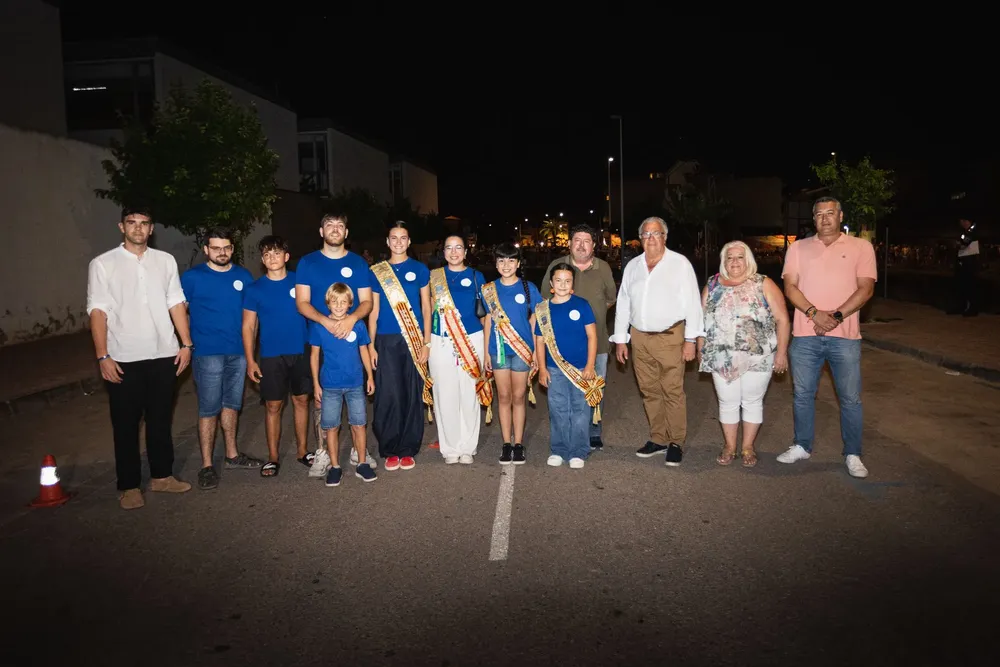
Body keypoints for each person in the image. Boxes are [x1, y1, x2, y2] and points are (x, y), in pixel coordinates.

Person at [86, 207, 194, 510]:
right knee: (125, 424)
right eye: (132, 223)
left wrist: (186, 343)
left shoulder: (165, 261)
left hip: (164, 354)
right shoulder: (103, 264)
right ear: (122, 227)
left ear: (151, 228)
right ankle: (129, 485)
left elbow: (176, 302)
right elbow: (98, 311)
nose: (138, 228)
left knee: (161, 420)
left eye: (144, 224)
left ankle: (162, 477)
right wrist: (102, 355)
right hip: (123, 357)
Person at [778, 196, 877, 478]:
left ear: (841, 215)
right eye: (819, 214)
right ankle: (802, 445)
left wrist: (834, 317)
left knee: (850, 398)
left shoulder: (861, 247)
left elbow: (866, 289)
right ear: (813, 219)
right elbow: (790, 288)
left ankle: (853, 453)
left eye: (830, 213)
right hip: (806, 335)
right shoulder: (798, 248)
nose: (825, 218)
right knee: (802, 395)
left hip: (845, 337)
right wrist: (814, 313)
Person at [611, 217, 703, 467]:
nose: (651, 239)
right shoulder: (633, 267)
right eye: (646, 235)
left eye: (656, 233)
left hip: (670, 337)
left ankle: (676, 442)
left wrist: (690, 340)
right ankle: (658, 438)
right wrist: (621, 339)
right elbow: (623, 304)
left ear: (665, 236)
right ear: (640, 239)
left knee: (672, 390)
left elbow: (693, 303)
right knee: (649, 390)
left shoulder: (679, 264)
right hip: (639, 338)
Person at [295, 212, 375, 477]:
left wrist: (351, 319)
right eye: (330, 225)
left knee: (355, 396)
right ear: (321, 232)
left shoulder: (358, 263)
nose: (335, 229)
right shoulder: (307, 262)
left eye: (340, 225)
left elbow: (366, 302)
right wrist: (325, 322)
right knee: (323, 400)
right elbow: (302, 302)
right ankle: (323, 454)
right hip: (321, 336)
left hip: (351, 339)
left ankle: (357, 451)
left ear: (346, 232)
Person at [181, 227, 262, 490]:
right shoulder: (192, 278)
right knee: (208, 408)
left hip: (237, 352)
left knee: (232, 404)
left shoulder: (243, 276)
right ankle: (206, 465)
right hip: (207, 353)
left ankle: (232, 455)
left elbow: (252, 317)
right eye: (216, 248)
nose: (222, 252)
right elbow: (179, 311)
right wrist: (186, 343)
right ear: (206, 250)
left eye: (226, 247)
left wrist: (251, 352)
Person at [697, 241, 790, 467]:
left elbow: (783, 319)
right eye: (730, 257)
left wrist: (782, 353)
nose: (735, 262)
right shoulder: (712, 284)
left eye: (740, 257)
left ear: (748, 259)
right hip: (721, 355)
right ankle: (729, 446)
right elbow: (701, 321)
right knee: (727, 402)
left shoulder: (763, 283)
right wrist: (701, 348)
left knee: (752, 401)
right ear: (724, 260)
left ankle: (748, 446)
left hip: (758, 355)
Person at [540, 224, 617, 451]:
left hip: (597, 343)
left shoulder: (603, 268)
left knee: (594, 389)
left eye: (586, 241)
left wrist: (594, 318)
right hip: (562, 347)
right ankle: (567, 435)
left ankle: (593, 431)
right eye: (577, 240)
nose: (581, 245)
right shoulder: (557, 266)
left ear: (593, 245)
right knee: (561, 394)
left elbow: (610, 299)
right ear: (570, 243)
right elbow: (545, 301)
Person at [242, 235, 311, 478]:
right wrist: (250, 360)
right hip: (271, 356)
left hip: (301, 351)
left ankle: (303, 451)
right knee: (273, 405)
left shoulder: (300, 282)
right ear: (262, 259)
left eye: (277, 253)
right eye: (267, 254)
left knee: (302, 401)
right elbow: (249, 326)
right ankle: (273, 457)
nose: (272, 258)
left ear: (286, 257)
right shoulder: (254, 289)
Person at [368, 221, 432, 471]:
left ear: (409, 241)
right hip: (386, 339)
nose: (398, 242)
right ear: (387, 242)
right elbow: (372, 312)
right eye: (393, 238)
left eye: (402, 238)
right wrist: (371, 346)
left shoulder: (420, 269)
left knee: (411, 393)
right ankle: (389, 446)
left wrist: (426, 342)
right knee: (389, 393)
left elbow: (427, 308)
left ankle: (408, 448)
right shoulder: (377, 272)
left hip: (414, 339)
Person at [428, 235, 490, 464]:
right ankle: (450, 448)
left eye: (458, 248)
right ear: (443, 251)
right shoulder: (434, 277)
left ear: (465, 251)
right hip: (441, 340)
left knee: (469, 393)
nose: (454, 252)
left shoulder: (476, 276)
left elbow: (486, 315)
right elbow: (428, 310)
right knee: (444, 394)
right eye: (449, 248)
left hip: (471, 340)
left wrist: (487, 347)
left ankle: (468, 446)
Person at [535, 263, 602, 469]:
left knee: (580, 411)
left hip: (581, 369)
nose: (563, 284)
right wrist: (542, 368)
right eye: (558, 280)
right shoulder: (543, 309)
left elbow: (592, 336)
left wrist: (590, 365)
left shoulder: (582, 305)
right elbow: (539, 341)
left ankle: (578, 451)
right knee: (558, 410)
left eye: (567, 280)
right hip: (554, 370)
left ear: (573, 284)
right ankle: (559, 449)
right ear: (551, 284)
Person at [482, 243, 543, 465]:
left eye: (510, 261)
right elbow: (488, 319)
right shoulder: (489, 289)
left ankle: (518, 444)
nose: (505, 265)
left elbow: (536, 320)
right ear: (496, 264)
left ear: (518, 263)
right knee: (504, 397)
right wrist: (487, 352)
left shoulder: (529, 288)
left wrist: (536, 352)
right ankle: (506, 443)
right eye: (501, 261)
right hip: (498, 351)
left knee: (519, 397)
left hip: (522, 351)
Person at [311, 283, 376, 485]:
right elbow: (314, 357)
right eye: (334, 301)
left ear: (350, 304)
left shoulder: (358, 325)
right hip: (330, 385)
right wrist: (316, 384)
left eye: (343, 302)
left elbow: (364, 351)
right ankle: (335, 466)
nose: (339, 305)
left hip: (355, 383)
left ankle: (362, 463)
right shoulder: (319, 326)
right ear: (328, 303)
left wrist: (370, 377)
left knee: (359, 424)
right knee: (331, 426)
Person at [948, 218, 980, 317]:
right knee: (960, 286)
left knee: (970, 286)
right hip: (962, 261)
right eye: (962, 221)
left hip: (970, 263)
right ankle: (960, 306)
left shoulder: (973, 232)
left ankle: (972, 308)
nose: (963, 223)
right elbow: (959, 244)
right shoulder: (963, 232)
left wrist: (960, 244)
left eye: (966, 221)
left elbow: (965, 243)